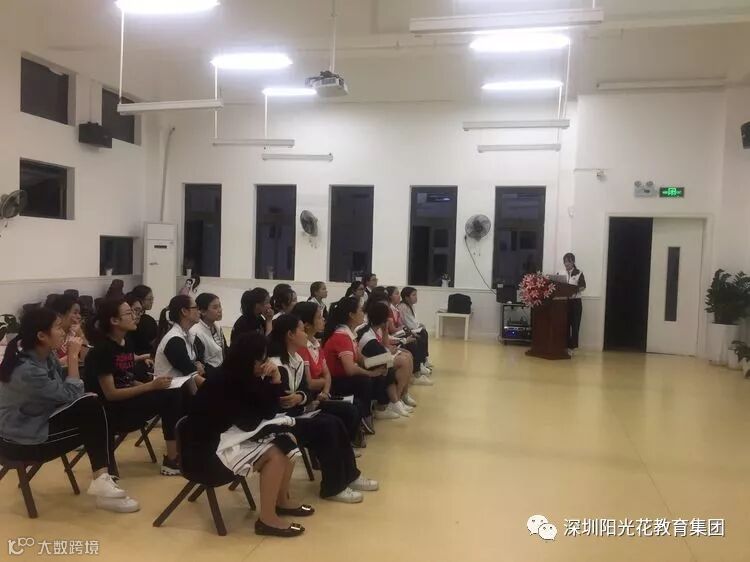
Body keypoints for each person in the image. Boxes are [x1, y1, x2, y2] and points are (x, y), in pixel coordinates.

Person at [0, 308, 139, 513]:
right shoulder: (26, 369)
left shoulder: (45, 356)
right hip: (21, 440)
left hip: (38, 422)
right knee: (93, 409)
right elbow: (70, 394)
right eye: (58, 327)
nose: (64, 332)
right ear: (41, 336)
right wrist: (73, 356)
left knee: (96, 411)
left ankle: (104, 481)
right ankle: (104, 483)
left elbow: (65, 391)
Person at [188, 332, 309, 537]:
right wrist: (267, 386)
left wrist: (275, 379)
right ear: (248, 358)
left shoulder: (245, 377)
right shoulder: (225, 381)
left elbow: (267, 412)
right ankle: (267, 519)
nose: (267, 364)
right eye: (262, 359)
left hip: (228, 438)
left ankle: (282, 501)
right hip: (206, 451)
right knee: (276, 453)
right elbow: (250, 421)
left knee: (287, 439)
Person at [268, 315, 378, 504]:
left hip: (300, 411)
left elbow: (305, 391)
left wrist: (301, 398)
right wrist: (302, 399)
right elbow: (283, 403)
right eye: (301, 330)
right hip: (281, 421)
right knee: (329, 425)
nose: (305, 334)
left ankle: (350, 474)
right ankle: (332, 487)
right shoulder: (276, 364)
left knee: (342, 415)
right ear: (290, 335)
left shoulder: (296, 358)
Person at [85, 299, 183, 476]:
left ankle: (173, 456)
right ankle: (172, 459)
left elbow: (128, 380)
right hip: (109, 411)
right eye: (129, 313)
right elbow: (111, 394)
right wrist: (150, 387)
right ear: (114, 321)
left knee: (173, 392)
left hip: (127, 402)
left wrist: (155, 386)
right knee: (170, 397)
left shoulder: (127, 342)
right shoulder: (102, 350)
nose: (135, 316)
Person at [292, 302, 365, 447]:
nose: (324, 319)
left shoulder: (316, 343)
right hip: (310, 398)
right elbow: (309, 383)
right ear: (307, 325)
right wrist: (323, 384)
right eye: (319, 317)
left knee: (356, 404)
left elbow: (327, 373)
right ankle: (343, 445)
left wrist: (325, 390)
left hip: (322, 393)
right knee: (349, 410)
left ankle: (347, 443)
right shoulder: (302, 348)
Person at [322, 298, 385, 435]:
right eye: (361, 310)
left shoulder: (350, 333)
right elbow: (350, 369)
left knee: (381, 372)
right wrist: (371, 373)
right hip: (335, 381)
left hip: (342, 377)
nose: (363, 313)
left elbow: (360, 358)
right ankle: (365, 416)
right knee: (365, 380)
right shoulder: (342, 336)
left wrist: (381, 362)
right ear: (351, 315)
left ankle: (377, 408)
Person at [358, 302, 416, 418]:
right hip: (370, 362)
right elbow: (382, 353)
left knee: (408, 355)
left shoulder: (376, 329)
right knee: (403, 361)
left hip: (375, 358)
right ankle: (395, 401)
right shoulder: (367, 336)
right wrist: (391, 352)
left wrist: (385, 332)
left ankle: (401, 397)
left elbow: (384, 348)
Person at [154, 295, 205, 387]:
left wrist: (196, 364)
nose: (199, 311)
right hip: (169, 392)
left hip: (181, 389)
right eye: (196, 308)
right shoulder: (174, 340)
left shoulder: (187, 335)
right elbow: (191, 374)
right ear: (184, 311)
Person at [384, 286, 432, 378]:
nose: (399, 296)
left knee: (422, 333)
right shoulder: (395, 308)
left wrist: (407, 328)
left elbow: (404, 323)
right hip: (394, 335)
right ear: (390, 297)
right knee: (414, 340)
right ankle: (417, 369)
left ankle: (422, 361)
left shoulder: (396, 308)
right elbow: (393, 329)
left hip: (399, 332)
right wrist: (405, 329)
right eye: (396, 294)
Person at [398, 287, 434, 375]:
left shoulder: (411, 306)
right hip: (405, 330)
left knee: (424, 332)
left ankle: (424, 359)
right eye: (413, 295)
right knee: (420, 335)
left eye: (416, 295)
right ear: (406, 297)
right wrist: (417, 327)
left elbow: (413, 320)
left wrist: (419, 325)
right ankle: (419, 365)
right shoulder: (403, 307)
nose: (416, 297)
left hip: (412, 328)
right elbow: (407, 322)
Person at [48, 294, 90, 367]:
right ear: (60, 314)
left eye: (79, 313)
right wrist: (71, 358)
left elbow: (85, 359)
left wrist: (81, 334)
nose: (79, 316)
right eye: (75, 313)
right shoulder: (50, 333)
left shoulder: (73, 333)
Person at [190, 293, 227, 373]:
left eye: (220, 306)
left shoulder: (217, 327)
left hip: (221, 371)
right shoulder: (195, 332)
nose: (220, 310)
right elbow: (200, 362)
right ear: (203, 311)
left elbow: (225, 351)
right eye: (215, 307)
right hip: (209, 374)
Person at [564, 252, 586, 354]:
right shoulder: (562, 273)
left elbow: (583, 286)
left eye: (568, 262)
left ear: (573, 262)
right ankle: (565, 345)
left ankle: (572, 348)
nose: (566, 264)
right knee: (565, 324)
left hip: (575, 302)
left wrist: (573, 290)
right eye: (565, 262)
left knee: (575, 325)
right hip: (565, 302)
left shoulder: (579, 273)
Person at [129, 285, 158, 356]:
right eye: (149, 299)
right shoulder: (147, 321)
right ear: (140, 300)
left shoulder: (148, 320)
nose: (152, 301)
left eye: (152, 299)